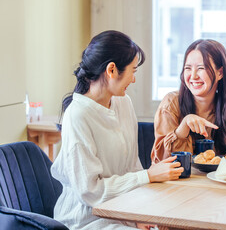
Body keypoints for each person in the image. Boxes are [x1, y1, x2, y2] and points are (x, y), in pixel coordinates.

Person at [51, 30, 183, 230]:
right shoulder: (77, 115)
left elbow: (132, 166)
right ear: (111, 70)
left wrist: (138, 214)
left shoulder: (123, 102)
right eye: (133, 71)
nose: (134, 79)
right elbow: (90, 191)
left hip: (122, 212)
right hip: (86, 220)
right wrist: (148, 176)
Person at [151, 39, 226, 163]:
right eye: (188, 68)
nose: (193, 76)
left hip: (211, 182)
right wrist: (182, 129)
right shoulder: (171, 104)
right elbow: (161, 162)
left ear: (220, 73)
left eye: (201, 68)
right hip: (175, 182)